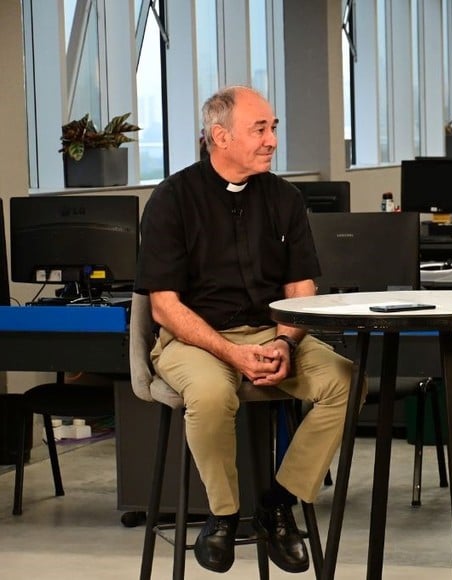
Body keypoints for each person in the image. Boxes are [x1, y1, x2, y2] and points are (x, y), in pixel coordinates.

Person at [135, 86, 361, 574]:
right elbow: (165, 308)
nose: (272, 139)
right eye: (260, 129)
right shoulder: (172, 199)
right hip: (194, 339)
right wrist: (231, 354)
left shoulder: (284, 198)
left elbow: (301, 287)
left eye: (273, 127)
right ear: (220, 137)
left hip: (271, 332)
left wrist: (284, 341)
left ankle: (278, 503)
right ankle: (222, 515)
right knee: (212, 394)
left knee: (346, 381)